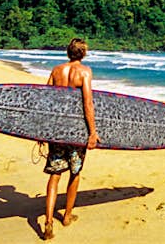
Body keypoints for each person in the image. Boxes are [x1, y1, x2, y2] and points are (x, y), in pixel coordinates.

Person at [42, 38, 99, 240]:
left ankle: (48, 222)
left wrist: (41, 131)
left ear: (68, 52)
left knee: (55, 175)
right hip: (75, 132)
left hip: (56, 131)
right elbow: (88, 103)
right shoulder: (85, 72)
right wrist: (92, 132)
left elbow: (45, 102)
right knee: (75, 172)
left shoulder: (56, 71)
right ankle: (66, 216)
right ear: (83, 54)